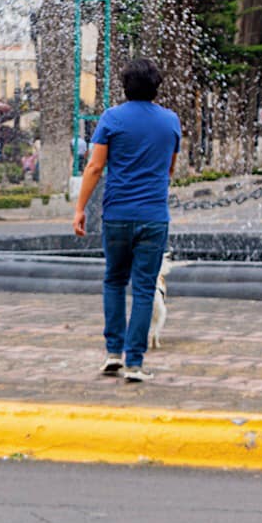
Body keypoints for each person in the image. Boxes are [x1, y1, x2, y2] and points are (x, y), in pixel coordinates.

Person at [72, 57, 180, 383]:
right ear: (156, 87)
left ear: (125, 86)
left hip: (117, 215)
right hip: (153, 216)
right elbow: (171, 169)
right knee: (145, 289)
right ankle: (135, 363)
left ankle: (112, 354)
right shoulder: (170, 121)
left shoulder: (112, 118)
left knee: (114, 281)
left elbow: (94, 167)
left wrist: (80, 208)